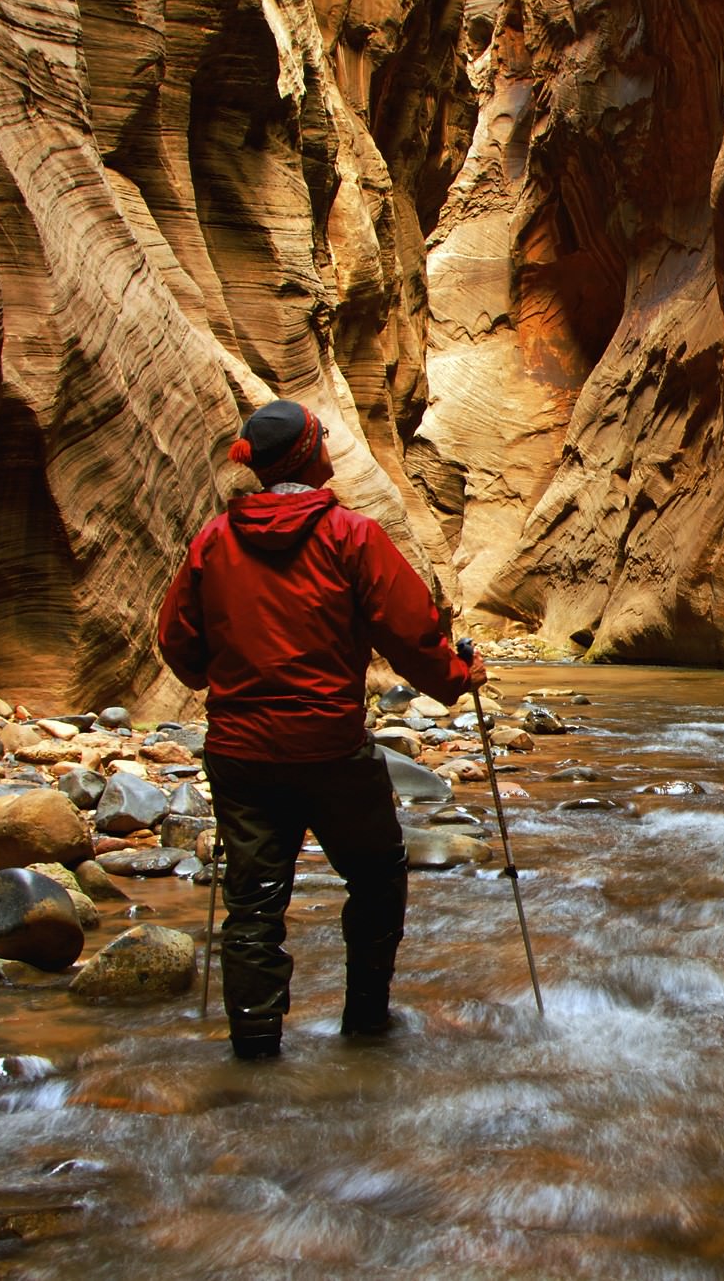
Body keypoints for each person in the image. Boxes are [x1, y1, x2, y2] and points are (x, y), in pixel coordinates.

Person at [156, 399, 486, 1060]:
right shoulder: (350, 536)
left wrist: (217, 676)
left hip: (242, 756)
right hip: (331, 750)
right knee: (377, 873)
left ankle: (254, 1050)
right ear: (310, 455)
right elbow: (409, 631)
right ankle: (365, 1020)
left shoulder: (213, 542)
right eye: (324, 438)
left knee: (253, 903)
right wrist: (457, 675)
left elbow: (179, 644)